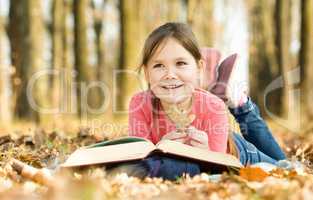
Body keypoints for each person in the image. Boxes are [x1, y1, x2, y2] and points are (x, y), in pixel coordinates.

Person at [112, 22, 286, 180]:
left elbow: (218, 167)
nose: (170, 74)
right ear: (146, 73)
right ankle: (214, 83)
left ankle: (240, 104)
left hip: (235, 150)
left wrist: (206, 152)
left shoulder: (214, 106)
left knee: (285, 167)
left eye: (180, 63)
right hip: (210, 126)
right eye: (158, 66)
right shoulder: (139, 103)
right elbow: (139, 152)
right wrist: (162, 146)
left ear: (198, 68)